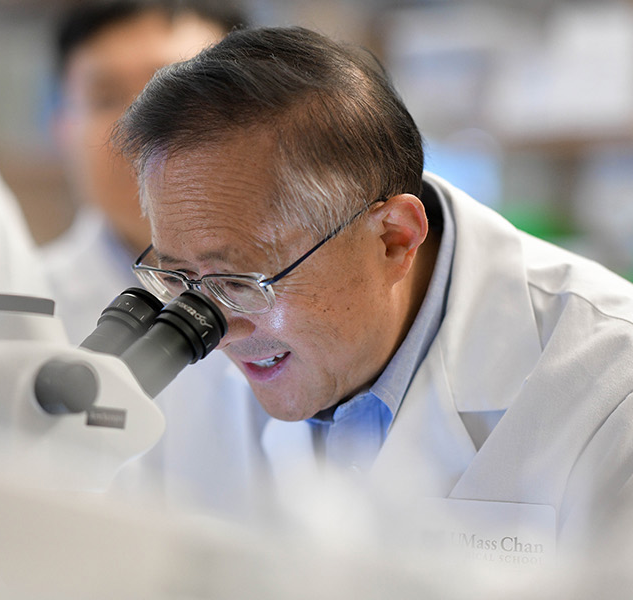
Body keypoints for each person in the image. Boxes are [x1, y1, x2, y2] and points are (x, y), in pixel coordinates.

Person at [114, 26, 633, 550]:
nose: (219, 332)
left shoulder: (613, 386)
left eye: (242, 281)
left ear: (393, 239)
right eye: (180, 278)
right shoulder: (186, 387)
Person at [36, 0, 266, 520]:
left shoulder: (318, 305)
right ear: (60, 128)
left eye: (181, 95)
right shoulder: (11, 309)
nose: (142, 131)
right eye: (107, 97)